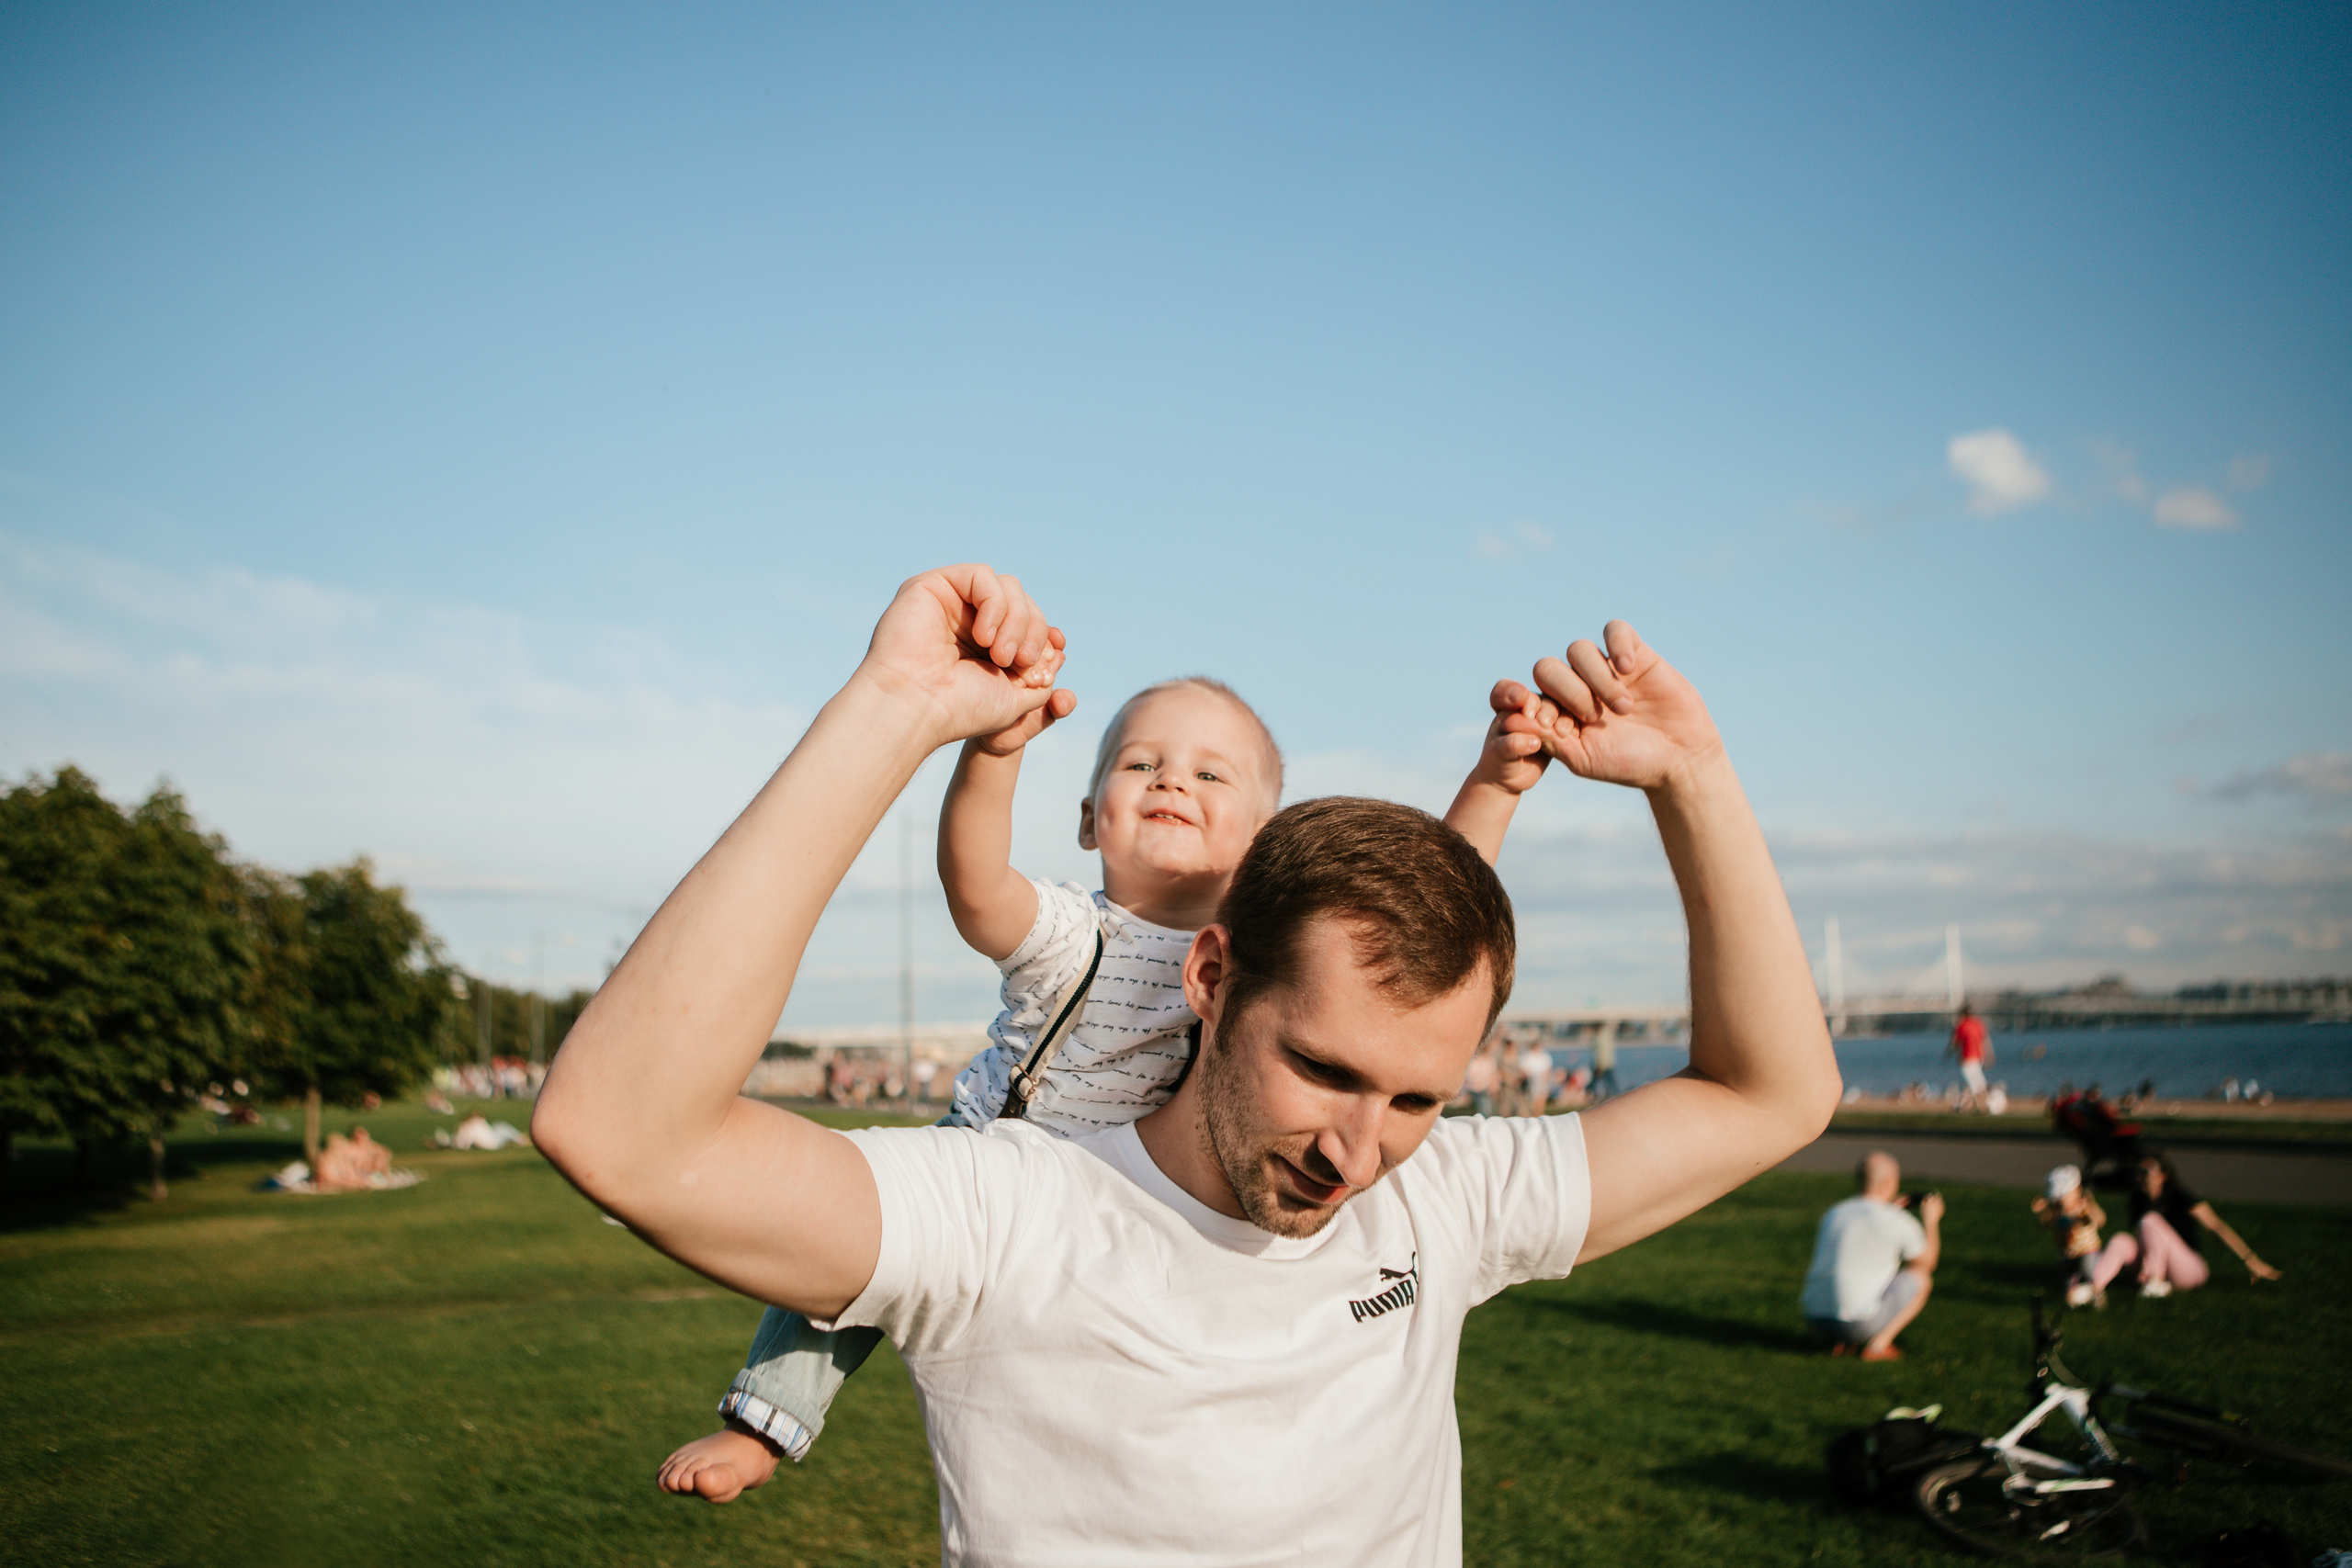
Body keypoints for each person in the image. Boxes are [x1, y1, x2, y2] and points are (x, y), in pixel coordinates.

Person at [532, 565, 1841, 1566]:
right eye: (1323, 1067)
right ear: (1211, 978)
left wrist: (1696, 774)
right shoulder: (1008, 1213)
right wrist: (895, 711)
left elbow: (1771, 1091)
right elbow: (624, 1130)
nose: (1358, 1151)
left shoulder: (1436, 1197)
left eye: (1420, 1096)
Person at [658, 658, 1561, 1502]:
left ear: (1262, 844)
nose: (1173, 781)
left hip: (1126, 1185)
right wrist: (996, 750)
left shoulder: (1265, 957)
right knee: (829, 1288)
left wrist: (1491, 788)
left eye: (1213, 776)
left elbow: (1410, 918)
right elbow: (974, 882)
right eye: (1142, 765)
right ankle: (763, 1425)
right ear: (1091, 819)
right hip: (1000, 1156)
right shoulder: (1067, 931)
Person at [1800, 1150, 1941, 1360]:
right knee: (1921, 1277)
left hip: (1815, 1317)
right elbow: (1927, 1262)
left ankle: (1839, 1342)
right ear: (1888, 1183)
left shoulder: (1834, 1212)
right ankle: (1878, 1346)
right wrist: (1931, 1221)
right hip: (1858, 1324)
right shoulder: (1894, 1220)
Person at [2088, 1154, 2282, 1297]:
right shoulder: (2137, 1201)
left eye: (2147, 1171)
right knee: (2121, 1239)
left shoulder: (2180, 1198)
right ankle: (2094, 1288)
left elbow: (2215, 1227)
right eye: (2137, 1172)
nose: (2141, 1176)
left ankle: (2155, 1282)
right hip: (2158, 1264)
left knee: (2150, 1221)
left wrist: (2250, 1259)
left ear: (2164, 1175)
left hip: (2188, 1270)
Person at [2030, 1164, 2109, 1308]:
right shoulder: (2056, 1211)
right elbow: (2044, 1224)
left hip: (2088, 1251)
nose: (2059, 1200)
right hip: (2068, 1254)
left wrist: (2089, 1209)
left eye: (2063, 1196)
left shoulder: (2082, 1208)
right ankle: (2077, 1293)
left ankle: (2097, 1293)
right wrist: (2039, 1213)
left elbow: (2099, 1220)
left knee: (2089, 1270)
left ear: (2077, 1191)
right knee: (2066, 1285)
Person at [1945, 1003, 1992, 1112]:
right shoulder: (1978, 1024)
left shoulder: (1962, 1026)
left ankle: (1981, 1107)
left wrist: (1950, 1053)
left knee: (1974, 1084)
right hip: (1978, 1058)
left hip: (1967, 1058)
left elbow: (1955, 1043)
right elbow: (1984, 1040)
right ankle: (1966, 1106)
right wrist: (1986, 1056)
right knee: (1976, 1082)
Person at [1589, 1022, 1622, 1102]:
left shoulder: (1602, 1036)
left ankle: (1616, 1097)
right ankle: (1616, 1097)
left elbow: (1603, 1052)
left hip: (1604, 1065)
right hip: (1604, 1064)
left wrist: (1601, 1065)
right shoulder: (1603, 1035)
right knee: (1609, 1082)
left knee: (1606, 1083)